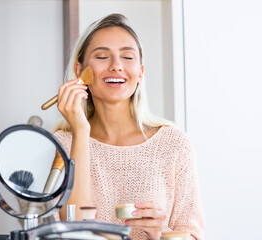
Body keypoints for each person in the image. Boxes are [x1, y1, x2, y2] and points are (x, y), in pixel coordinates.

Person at [52, 13, 204, 240]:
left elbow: (193, 234)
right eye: (102, 56)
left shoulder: (173, 143)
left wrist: (160, 233)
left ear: (140, 73)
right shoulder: (64, 143)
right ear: (79, 72)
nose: (116, 66)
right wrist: (80, 132)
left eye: (127, 57)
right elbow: (74, 228)